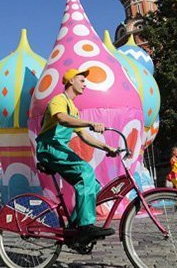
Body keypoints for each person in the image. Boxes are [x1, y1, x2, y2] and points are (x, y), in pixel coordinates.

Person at [35, 68, 118, 243]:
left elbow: (85, 136)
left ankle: (74, 227)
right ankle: (85, 227)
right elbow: (63, 119)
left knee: (94, 186)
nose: (85, 84)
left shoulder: (74, 108)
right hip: (49, 147)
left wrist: (107, 147)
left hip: (58, 148)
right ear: (71, 81)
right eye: (82, 80)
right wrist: (90, 122)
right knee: (85, 171)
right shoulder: (58, 100)